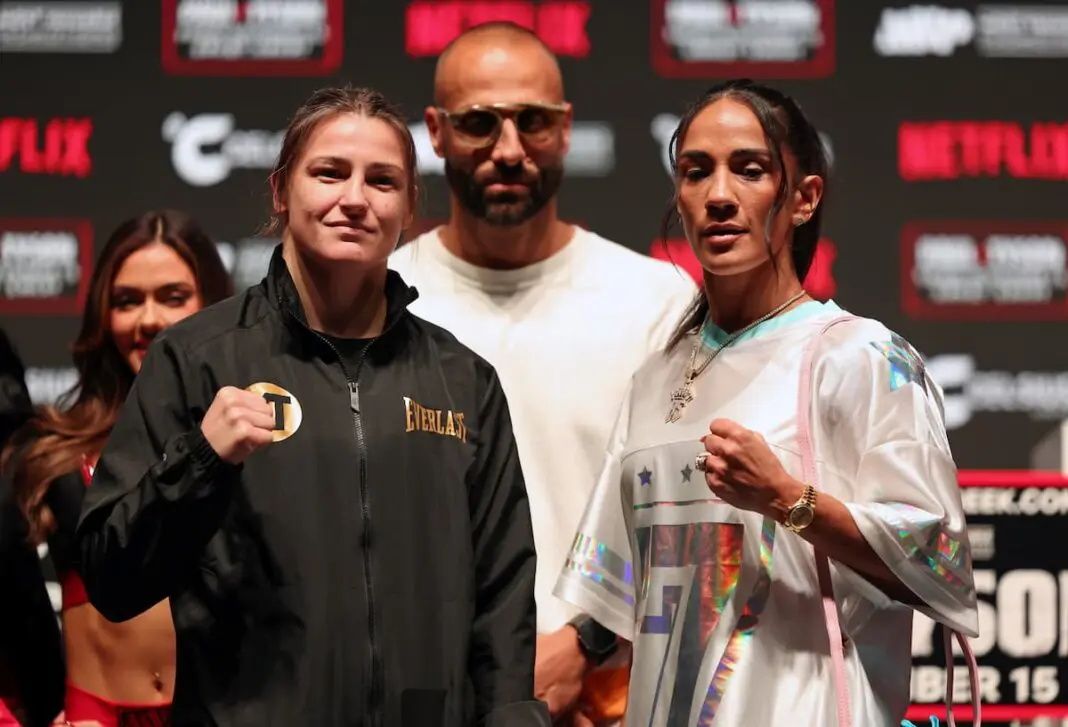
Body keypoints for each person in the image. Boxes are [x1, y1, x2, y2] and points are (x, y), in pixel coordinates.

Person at [76, 86, 549, 727]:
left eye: (382, 181)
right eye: (329, 172)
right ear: (281, 190)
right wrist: (202, 461)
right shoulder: (196, 360)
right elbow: (112, 578)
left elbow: (502, 594)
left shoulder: (462, 381)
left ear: (410, 205)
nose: (353, 199)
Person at [553, 79, 979, 725]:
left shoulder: (859, 355)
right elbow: (619, 602)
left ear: (804, 198)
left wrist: (788, 498)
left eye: (749, 170)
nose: (718, 195)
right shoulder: (655, 377)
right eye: (696, 172)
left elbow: (939, 558)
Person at [389, 23, 696, 725]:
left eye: (532, 122)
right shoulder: (380, 297)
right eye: (478, 123)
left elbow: (686, 516)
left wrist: (583, 645)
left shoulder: (658, 303)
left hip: (606, 700)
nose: (508, 149)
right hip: (419, 695)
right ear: (434, 132)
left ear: (565, 130)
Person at [0, 210, 233, 727]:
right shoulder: (50, 452)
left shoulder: (252, 441)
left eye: (173, 297)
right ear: (103, 315)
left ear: (213, 305)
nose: (148, 319)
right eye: (128, 301)